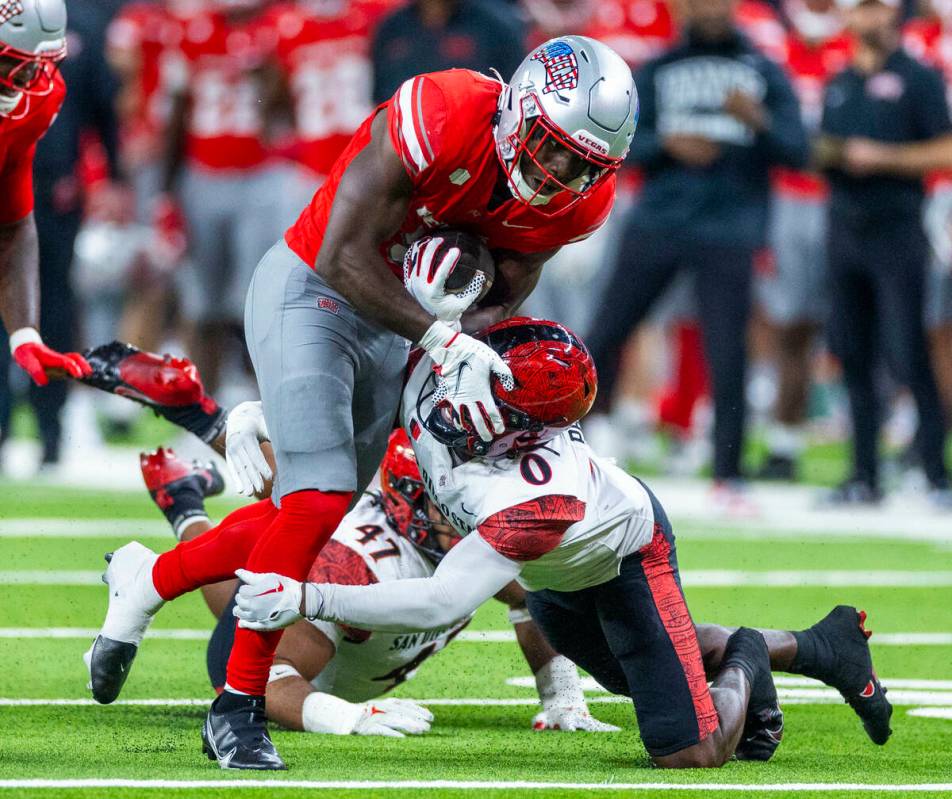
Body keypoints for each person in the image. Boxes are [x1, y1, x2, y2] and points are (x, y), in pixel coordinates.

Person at [86, 37, 640, 771]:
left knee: (315, 507)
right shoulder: (441, 111)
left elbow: (509, 283)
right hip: (316, 285)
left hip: (403, 321)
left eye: (583, 164)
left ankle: (146, 582)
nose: (561, 173)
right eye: (554, 147)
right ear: (517, 110)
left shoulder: (579, 204)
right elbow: (343, 253)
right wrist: (442, 336)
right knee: (317, 500)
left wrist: (470, 334)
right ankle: (236, 709)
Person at [231, 316, 893, 768]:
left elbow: (441, 598)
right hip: (556, 577)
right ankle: (823, 646)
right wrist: (250, 415)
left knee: (685, 748)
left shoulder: (535, 496)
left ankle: (749, 652)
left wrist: (304, 595)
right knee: (629, 673)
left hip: (622, 556)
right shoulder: (452, 378)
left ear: (526, 428)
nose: (469, 393)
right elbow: (354, 380)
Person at [137, 436, 618, 736]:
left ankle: (184, 499)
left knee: (247, 578)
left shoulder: (472, 532)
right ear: (410, 498)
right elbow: (264, 680)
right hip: (301, 655)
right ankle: (184, 506)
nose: (466, 512)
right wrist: (344, 717)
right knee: (236, 596)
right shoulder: (354, 565)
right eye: (446, 501)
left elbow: (526, 602)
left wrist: (561, 699)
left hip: (343, 640)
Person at [584, 0, 809, 509]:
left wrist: (761, 121)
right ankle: (569, 445)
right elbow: (613, 142)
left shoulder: (763, 70)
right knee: (608, 330)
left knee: (727, 350)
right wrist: (668, 143)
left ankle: (728, 474)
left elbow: (799, 149)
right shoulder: (659, 68)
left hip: (730, 227)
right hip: (659, 221)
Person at [816, 0, 952, 505]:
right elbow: (826, 153)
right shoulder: (840, 81)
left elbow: (946, 149)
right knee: (852, 353)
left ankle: (935, 472)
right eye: (862, 9)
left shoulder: (918, 77)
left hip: (898, 230)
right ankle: (864, 475)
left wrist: (883, 158)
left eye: (878, 8)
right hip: (844, 230)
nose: (870, 19)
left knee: (908, 350)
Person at [755, 0, 853, 481]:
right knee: (792, 322)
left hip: (850, 201)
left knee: (860, 324)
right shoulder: (774, 46)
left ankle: (874, 446)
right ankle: (785, 439)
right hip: (789, 197)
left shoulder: (857, 45)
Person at [0, 0, 91, 399]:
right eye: (11, 64)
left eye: (35, 65)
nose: (26, 79)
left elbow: (13, 222)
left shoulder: (40, 94)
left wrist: (24, 334)